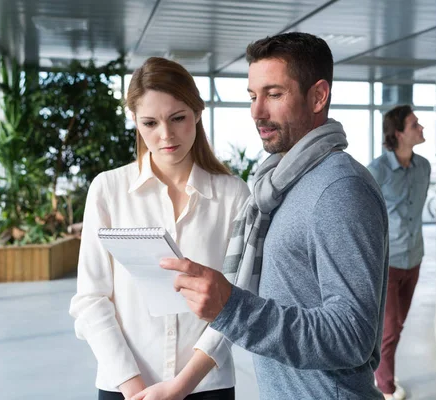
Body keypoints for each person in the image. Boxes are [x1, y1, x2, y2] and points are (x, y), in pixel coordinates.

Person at [161, 32, 390, 400]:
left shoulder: (339, 189)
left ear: (318, 96)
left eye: (274, 94)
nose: (257, 111)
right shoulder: (280, 182)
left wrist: (233, 307)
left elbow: (352, 335)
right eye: (253, 96)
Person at [69, 57, 250, 400]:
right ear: (135, 121)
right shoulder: (108, 190)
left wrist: (181, 387)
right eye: (150, 123)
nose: (165, 135)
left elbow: (237, 299)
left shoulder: (233, 195)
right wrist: (134, 388)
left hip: (206, 386)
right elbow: (91, 298)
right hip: (125, 385)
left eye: (178, 118)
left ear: (197, 112)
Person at [366, 105, 431, 399]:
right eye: (415, 124)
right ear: (398, 133)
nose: (421, 128)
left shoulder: (425, 167)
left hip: (414, 259)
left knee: (397, 326)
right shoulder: (376, 171)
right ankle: (386, 390)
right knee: (389, 330)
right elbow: (362, 215)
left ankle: (379, 377)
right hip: (387, 264)